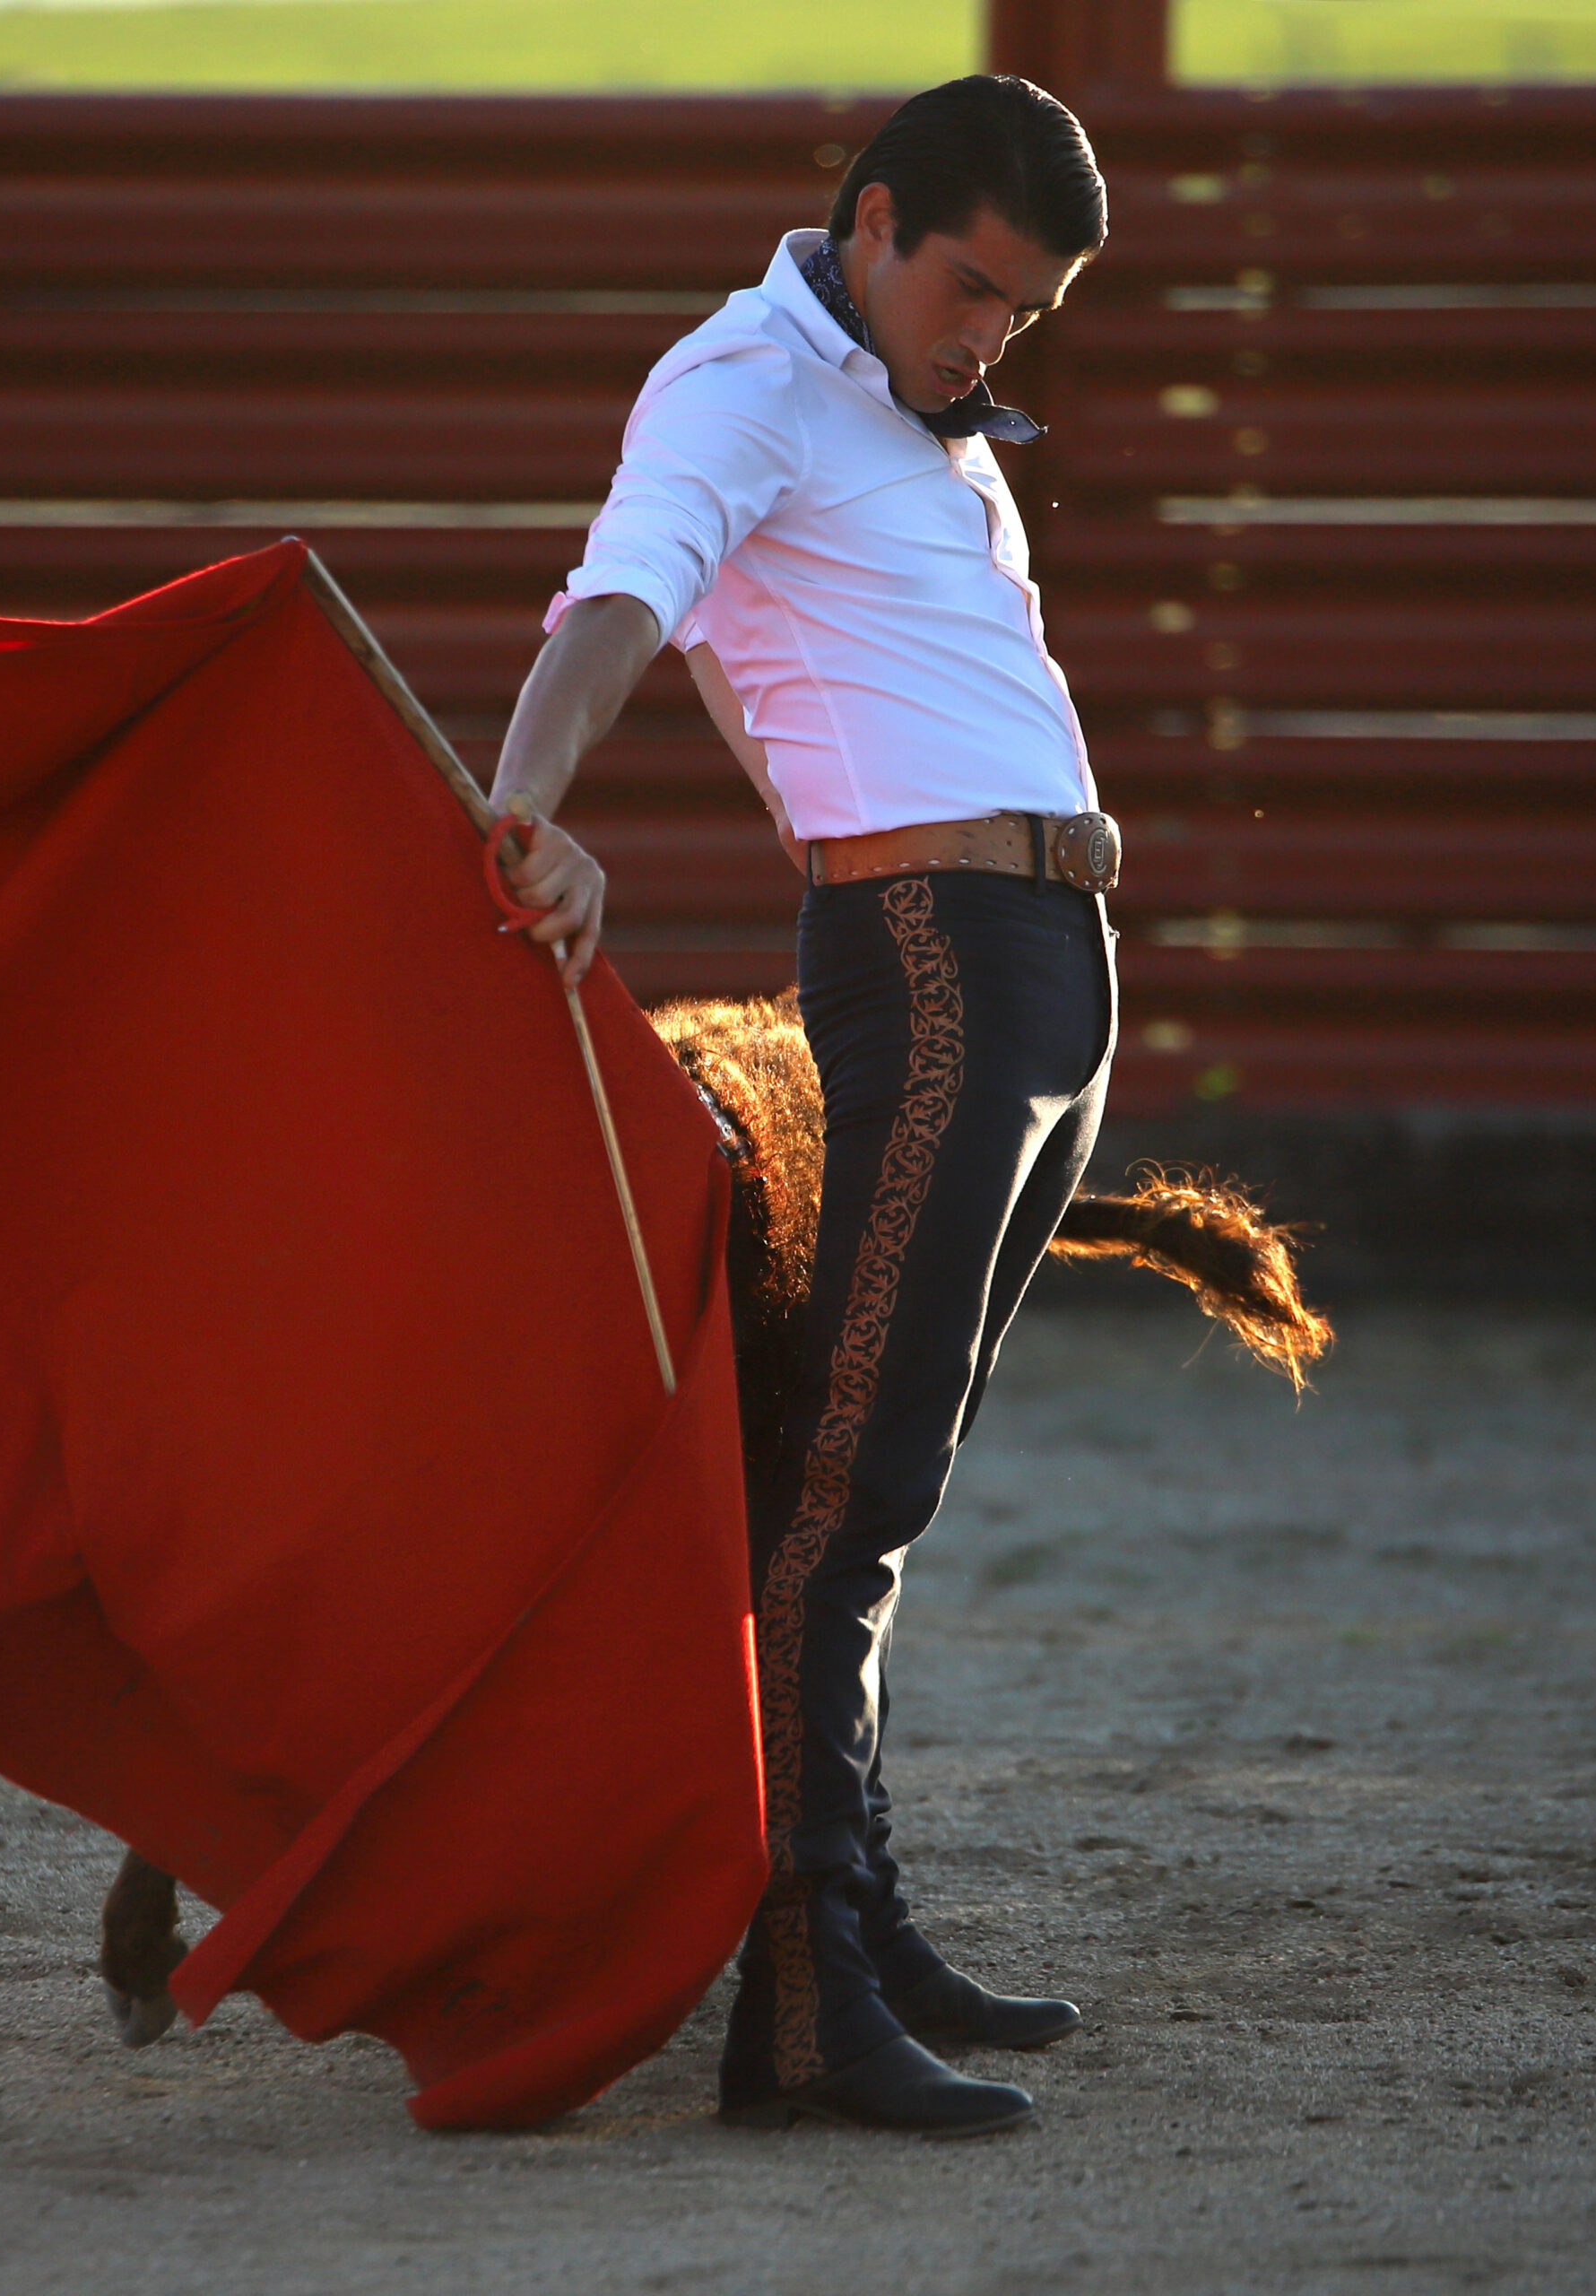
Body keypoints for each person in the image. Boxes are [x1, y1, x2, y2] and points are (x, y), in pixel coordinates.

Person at [490, 74, 1118, 2137]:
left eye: (1021, 314)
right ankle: (794, 2000)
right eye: (970, 289)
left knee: (882, 1479)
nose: (987, 338)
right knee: (839, 1490)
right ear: (870, 224)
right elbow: (621, 600)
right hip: (933, 958)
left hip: (1039, 961)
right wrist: (523, 806)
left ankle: (856, 1916)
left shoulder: (928, 413)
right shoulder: (739, 382)